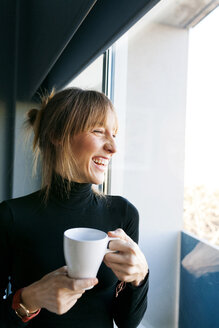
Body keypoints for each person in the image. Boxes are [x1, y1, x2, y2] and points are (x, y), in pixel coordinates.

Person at [0, 88, 149, 328]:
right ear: (58, 134)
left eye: (114, 134)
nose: (113, 148)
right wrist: (30, 299)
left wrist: (140, 278)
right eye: (99, 131)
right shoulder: (12, 216)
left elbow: (127, 321)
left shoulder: (124, 214)